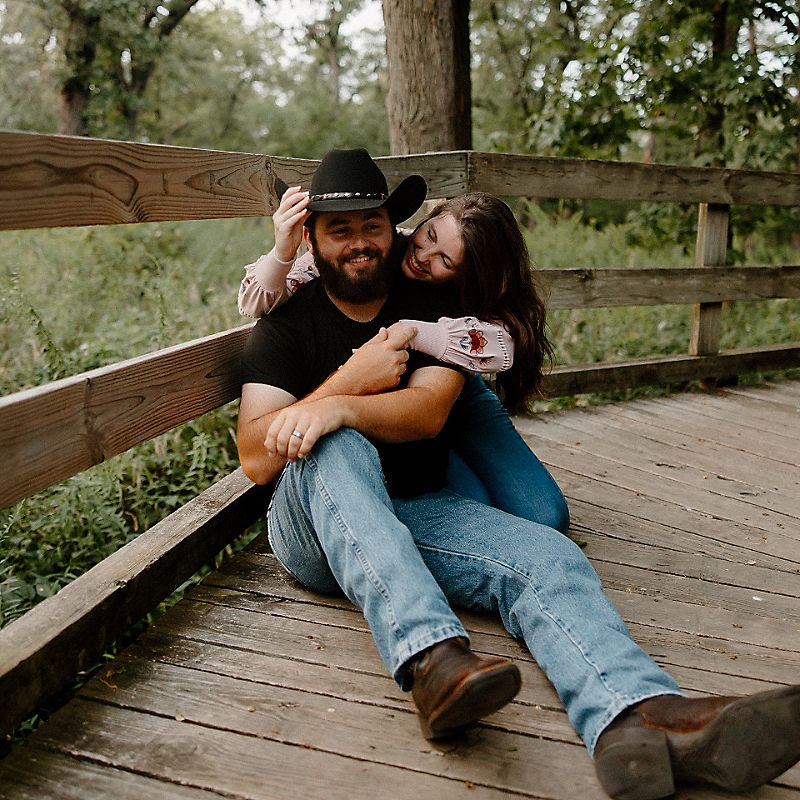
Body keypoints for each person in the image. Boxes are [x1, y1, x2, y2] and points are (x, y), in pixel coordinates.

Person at [237, 147, 800, 800]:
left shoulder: (434, 306)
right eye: (341, 229)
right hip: (312, 528)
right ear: (312, 238)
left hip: (413, 507)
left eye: (373, 225)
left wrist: (337, 405)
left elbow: (426, 413)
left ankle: (638, 717)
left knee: (548, 554)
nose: (360, 242)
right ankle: (433, 660)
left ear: (394, 228)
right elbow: (256, 456)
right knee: (337, 442)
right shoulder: (287, 322)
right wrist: (345, 389)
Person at [239, 183, 569, 533]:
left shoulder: (465, 292)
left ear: (467, 275)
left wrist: (408, 331)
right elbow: (255, 299)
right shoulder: (375, 248)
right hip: (408, 400)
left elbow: (499, 347)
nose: (425, 256)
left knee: (547, 515)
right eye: (430, 236)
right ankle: (451, 463)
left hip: (458, 394)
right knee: (478, 508)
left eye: (445, 260)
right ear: (427, 219)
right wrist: (282, 251)